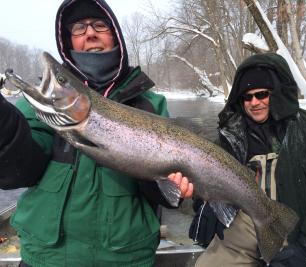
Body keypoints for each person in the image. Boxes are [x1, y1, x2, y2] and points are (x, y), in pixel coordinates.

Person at [0, 1, 192, 266]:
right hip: (46, 258)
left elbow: (160, 193)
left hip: (125, 259)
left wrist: (173, 188)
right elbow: (17, 172)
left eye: (99, 25)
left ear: (116, 36)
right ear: (69, 41)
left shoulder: (150, 104)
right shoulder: (43, 104)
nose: (90, 33)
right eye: (78, 28)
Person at [189, 52, 306, 266]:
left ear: (277, 93)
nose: (254, 102)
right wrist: (206, 204)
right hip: (242, 234)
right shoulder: (227, 140)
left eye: (262, 94)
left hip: (302, 234)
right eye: (246, 97)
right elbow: (204, 184)